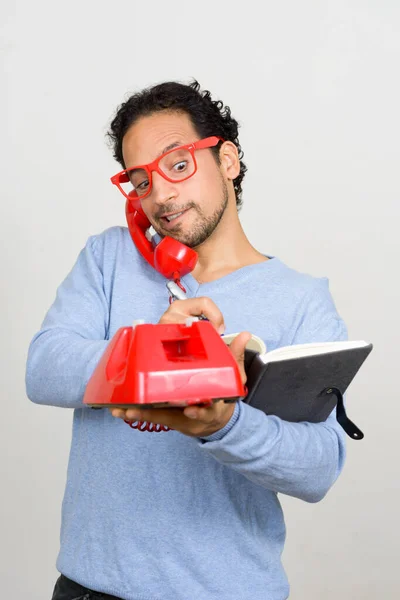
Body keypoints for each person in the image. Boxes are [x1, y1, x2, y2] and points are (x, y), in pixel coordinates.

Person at [26, 80, 348, 600]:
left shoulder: (303, 301)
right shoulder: (110, 258)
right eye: (141, 182)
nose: (162, 195)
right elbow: (43, 368)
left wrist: (226, 422)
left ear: (228, 160)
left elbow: (318, 468)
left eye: (178, 165)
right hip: (89, 589)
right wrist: (154, 349)